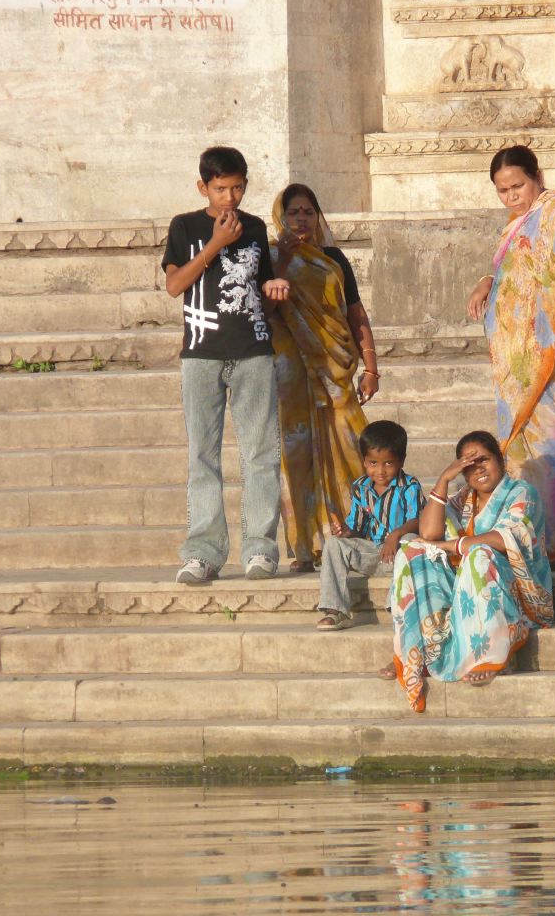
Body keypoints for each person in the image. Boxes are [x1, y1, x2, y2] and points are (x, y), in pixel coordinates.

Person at [466, 145, 555, 568]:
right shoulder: (515, 226)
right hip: (519, 360)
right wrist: (487, 281)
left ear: (537, 176)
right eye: (503, 190)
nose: (512, 196)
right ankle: (528, 538)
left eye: (518, 186)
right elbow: (512, 269)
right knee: (524, 453)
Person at [161, 146, 290, 584]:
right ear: (203, 187)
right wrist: (216, 244)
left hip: (254, 350)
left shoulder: (254, 228)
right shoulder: (185, 226)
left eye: (236, 188)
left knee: (261, 454)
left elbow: (260, 290)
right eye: (220, 189)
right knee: (203, 455)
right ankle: (203, 552)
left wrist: (274, 290)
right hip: (201, 353)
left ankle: (260, 549)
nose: (229, 197)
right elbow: (174, 285)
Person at [384, 430, 553, 713]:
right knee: (411, 552)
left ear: (500, 460)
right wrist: (443, 480)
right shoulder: (464, 498)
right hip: (463, 583)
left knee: (479, 554)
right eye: (469, 466)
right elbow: (429, 532)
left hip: (515, 588)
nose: (479, 469)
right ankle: (415, 651)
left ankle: (491, 652)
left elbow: (505, 539)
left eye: (484, 460)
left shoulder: (522, 493)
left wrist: (453, 546)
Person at [269, 183, 381, 572]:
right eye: (293, 212)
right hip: (290, 372)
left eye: (308, 212)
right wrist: (282, 263)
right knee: (297, 456)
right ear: (280, 218)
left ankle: (361, 533)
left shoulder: (333, 259)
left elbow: (355, 313)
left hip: (335, 371)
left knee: (352, 447)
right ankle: (307, 547)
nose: (302, 219)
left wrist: (371, 367)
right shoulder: (269, 257)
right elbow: (265, 308)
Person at [315, 420, 423, 631]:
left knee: (411, 540)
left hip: (400, 557)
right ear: (364, 461)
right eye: (373, 463)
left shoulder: (410, 485)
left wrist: (396, 535)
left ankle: (397, 607)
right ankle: (335, 610)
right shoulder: (360, 487)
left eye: (388, 463)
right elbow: (357, 527)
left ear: (401, 460)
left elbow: (419, 520)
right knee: (334, 543)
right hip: (373, 554)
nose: (380, 471)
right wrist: (346, 531)